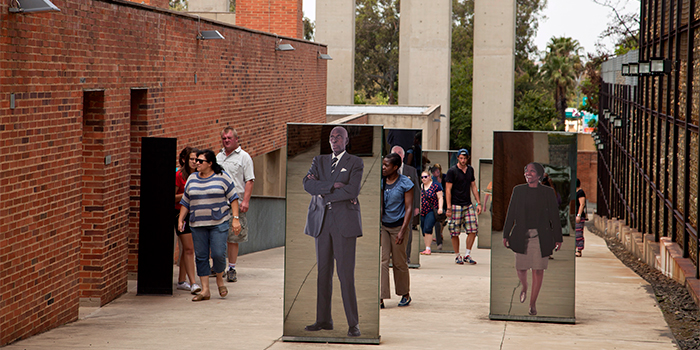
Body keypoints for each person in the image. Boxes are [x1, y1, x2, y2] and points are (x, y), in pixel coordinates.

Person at [302, 126, 363, 338]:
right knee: (323, 274)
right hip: (322, 222)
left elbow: (352, 190)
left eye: (339, 137)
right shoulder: (319, 161)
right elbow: (307, 184)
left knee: (345, 275)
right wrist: (332, 186)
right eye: (331, 137)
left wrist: (323, 191)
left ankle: (353, 324)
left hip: (344, 224)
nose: (334, 140)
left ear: (347, 141)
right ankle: (323, 320)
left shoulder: (355, 162)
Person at [178, 149, 241, 301]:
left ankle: (219, 279)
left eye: (200, 161)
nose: (196, 163)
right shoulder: (192, 179)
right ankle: (205, 289)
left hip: (218, 222)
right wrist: (181, 219)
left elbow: (233, 197)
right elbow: (186, 201)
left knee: (218, 253)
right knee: (201, 256)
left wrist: (236, 218)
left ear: (210, 163)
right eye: (196, 161)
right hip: (197, 223)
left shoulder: (222, 177)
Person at [502, 162, 563, 316]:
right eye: (526, 171)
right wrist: (505, 234)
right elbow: (511, 213)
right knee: (521, 268)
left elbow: (554, 216)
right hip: (521, 234)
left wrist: (558, 238)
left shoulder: (548, 193)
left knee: (538, 270)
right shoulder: (518, 190)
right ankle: (524, 286)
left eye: (532, 171)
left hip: (541, 235)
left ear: (539, 175)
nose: (528, 173)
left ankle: (532, 303)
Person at [217, 127, 255, 282]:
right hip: (218, 204)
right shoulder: (218, 157)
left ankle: (231, 268)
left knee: (233, 237)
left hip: (236, 204)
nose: (226, 141)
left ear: (236, 139)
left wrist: (245, 201)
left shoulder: (244, 157)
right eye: (224, 138)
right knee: (217, 236)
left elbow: (249, 180)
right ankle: (218, 267)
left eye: (229, 138)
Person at [380, 153, 414, 308]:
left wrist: (402, 231)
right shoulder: (381, 181)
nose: (383, 167)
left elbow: (408, 208)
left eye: (387, 165)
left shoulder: (405, 183)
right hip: (384, 227)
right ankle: (381, 296)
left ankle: (404, 293)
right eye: (383, 164)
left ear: (395, 167)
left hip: (399, 227)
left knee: (399, 262)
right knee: (383, 261)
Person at [445, 149, 482, 264]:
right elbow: (448, 190)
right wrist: (449, 207)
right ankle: (457, 255)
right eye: (461, 158)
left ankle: (467, 254)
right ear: (458, 158)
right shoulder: (452, 171)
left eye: (465, 158)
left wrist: (478, 202)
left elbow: (474, 186)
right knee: (454, 231)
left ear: (468, 158)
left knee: (473, 229)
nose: (463, 160)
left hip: (468, 204)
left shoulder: (470, 170)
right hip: (456, 205)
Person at [174, 146, 201, 295]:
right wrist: (187, 195)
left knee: (187, 249)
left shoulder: (200, 175)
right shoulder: (179, 175)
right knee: (189, 248)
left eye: (196, 159)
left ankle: (181, 280)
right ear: (185, 160)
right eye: (191, 159)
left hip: (197, 214)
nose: (194, 162)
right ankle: (193, 283)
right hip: (180, 214)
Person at [390, 145, 420, 263]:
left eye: (399, 152)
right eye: (394, 152)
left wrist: (417, 206)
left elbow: (416, 189)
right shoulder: (386, 169)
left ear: (403, 155)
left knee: (407, 231)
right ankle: (393, 256)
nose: (397, 154)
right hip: (391, 208)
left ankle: (406, 257)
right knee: (392, 231)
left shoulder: (411, 170)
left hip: (408, 207)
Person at [419, 170, 443, 255]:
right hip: (423, 210)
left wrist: (440, 208)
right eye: (422, 177)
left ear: (429, 177)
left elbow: (440, 197)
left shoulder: (435, 186)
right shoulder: (421, 187)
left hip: (432, 210)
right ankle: (426, 247)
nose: (424, 179)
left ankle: (428, 248)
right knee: (423, 228)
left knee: (428, 227)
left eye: (425, 177)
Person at [431, 164, 447, 250]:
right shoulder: (432, 178)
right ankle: (439, 234)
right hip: (435, 199)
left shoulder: (444, 176)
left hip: (443, 198)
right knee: (437, 217)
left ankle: (440, 233)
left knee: (442, 217)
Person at [575, 179, 587, 257]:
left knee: (579, 233)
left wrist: (578, 215)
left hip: (579, 216)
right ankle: (576, 248)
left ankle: (579, 250)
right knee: (576, 233)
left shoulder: (580, 192)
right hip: (574, 215)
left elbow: (582, 204)